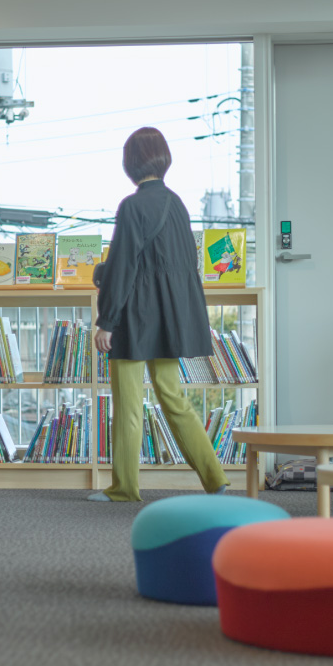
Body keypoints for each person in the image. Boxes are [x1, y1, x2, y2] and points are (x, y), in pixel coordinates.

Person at [88, 127, 228, 502]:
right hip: (170, 318)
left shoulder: (131, 207)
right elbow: (185, 263)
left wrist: (106, 321)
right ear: (163, 159)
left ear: (130, 163)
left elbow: (123, 267)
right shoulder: (178, 204)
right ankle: (215, 478)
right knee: (174, 397)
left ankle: (124, 489)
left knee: (129, 405)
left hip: (134, 318)